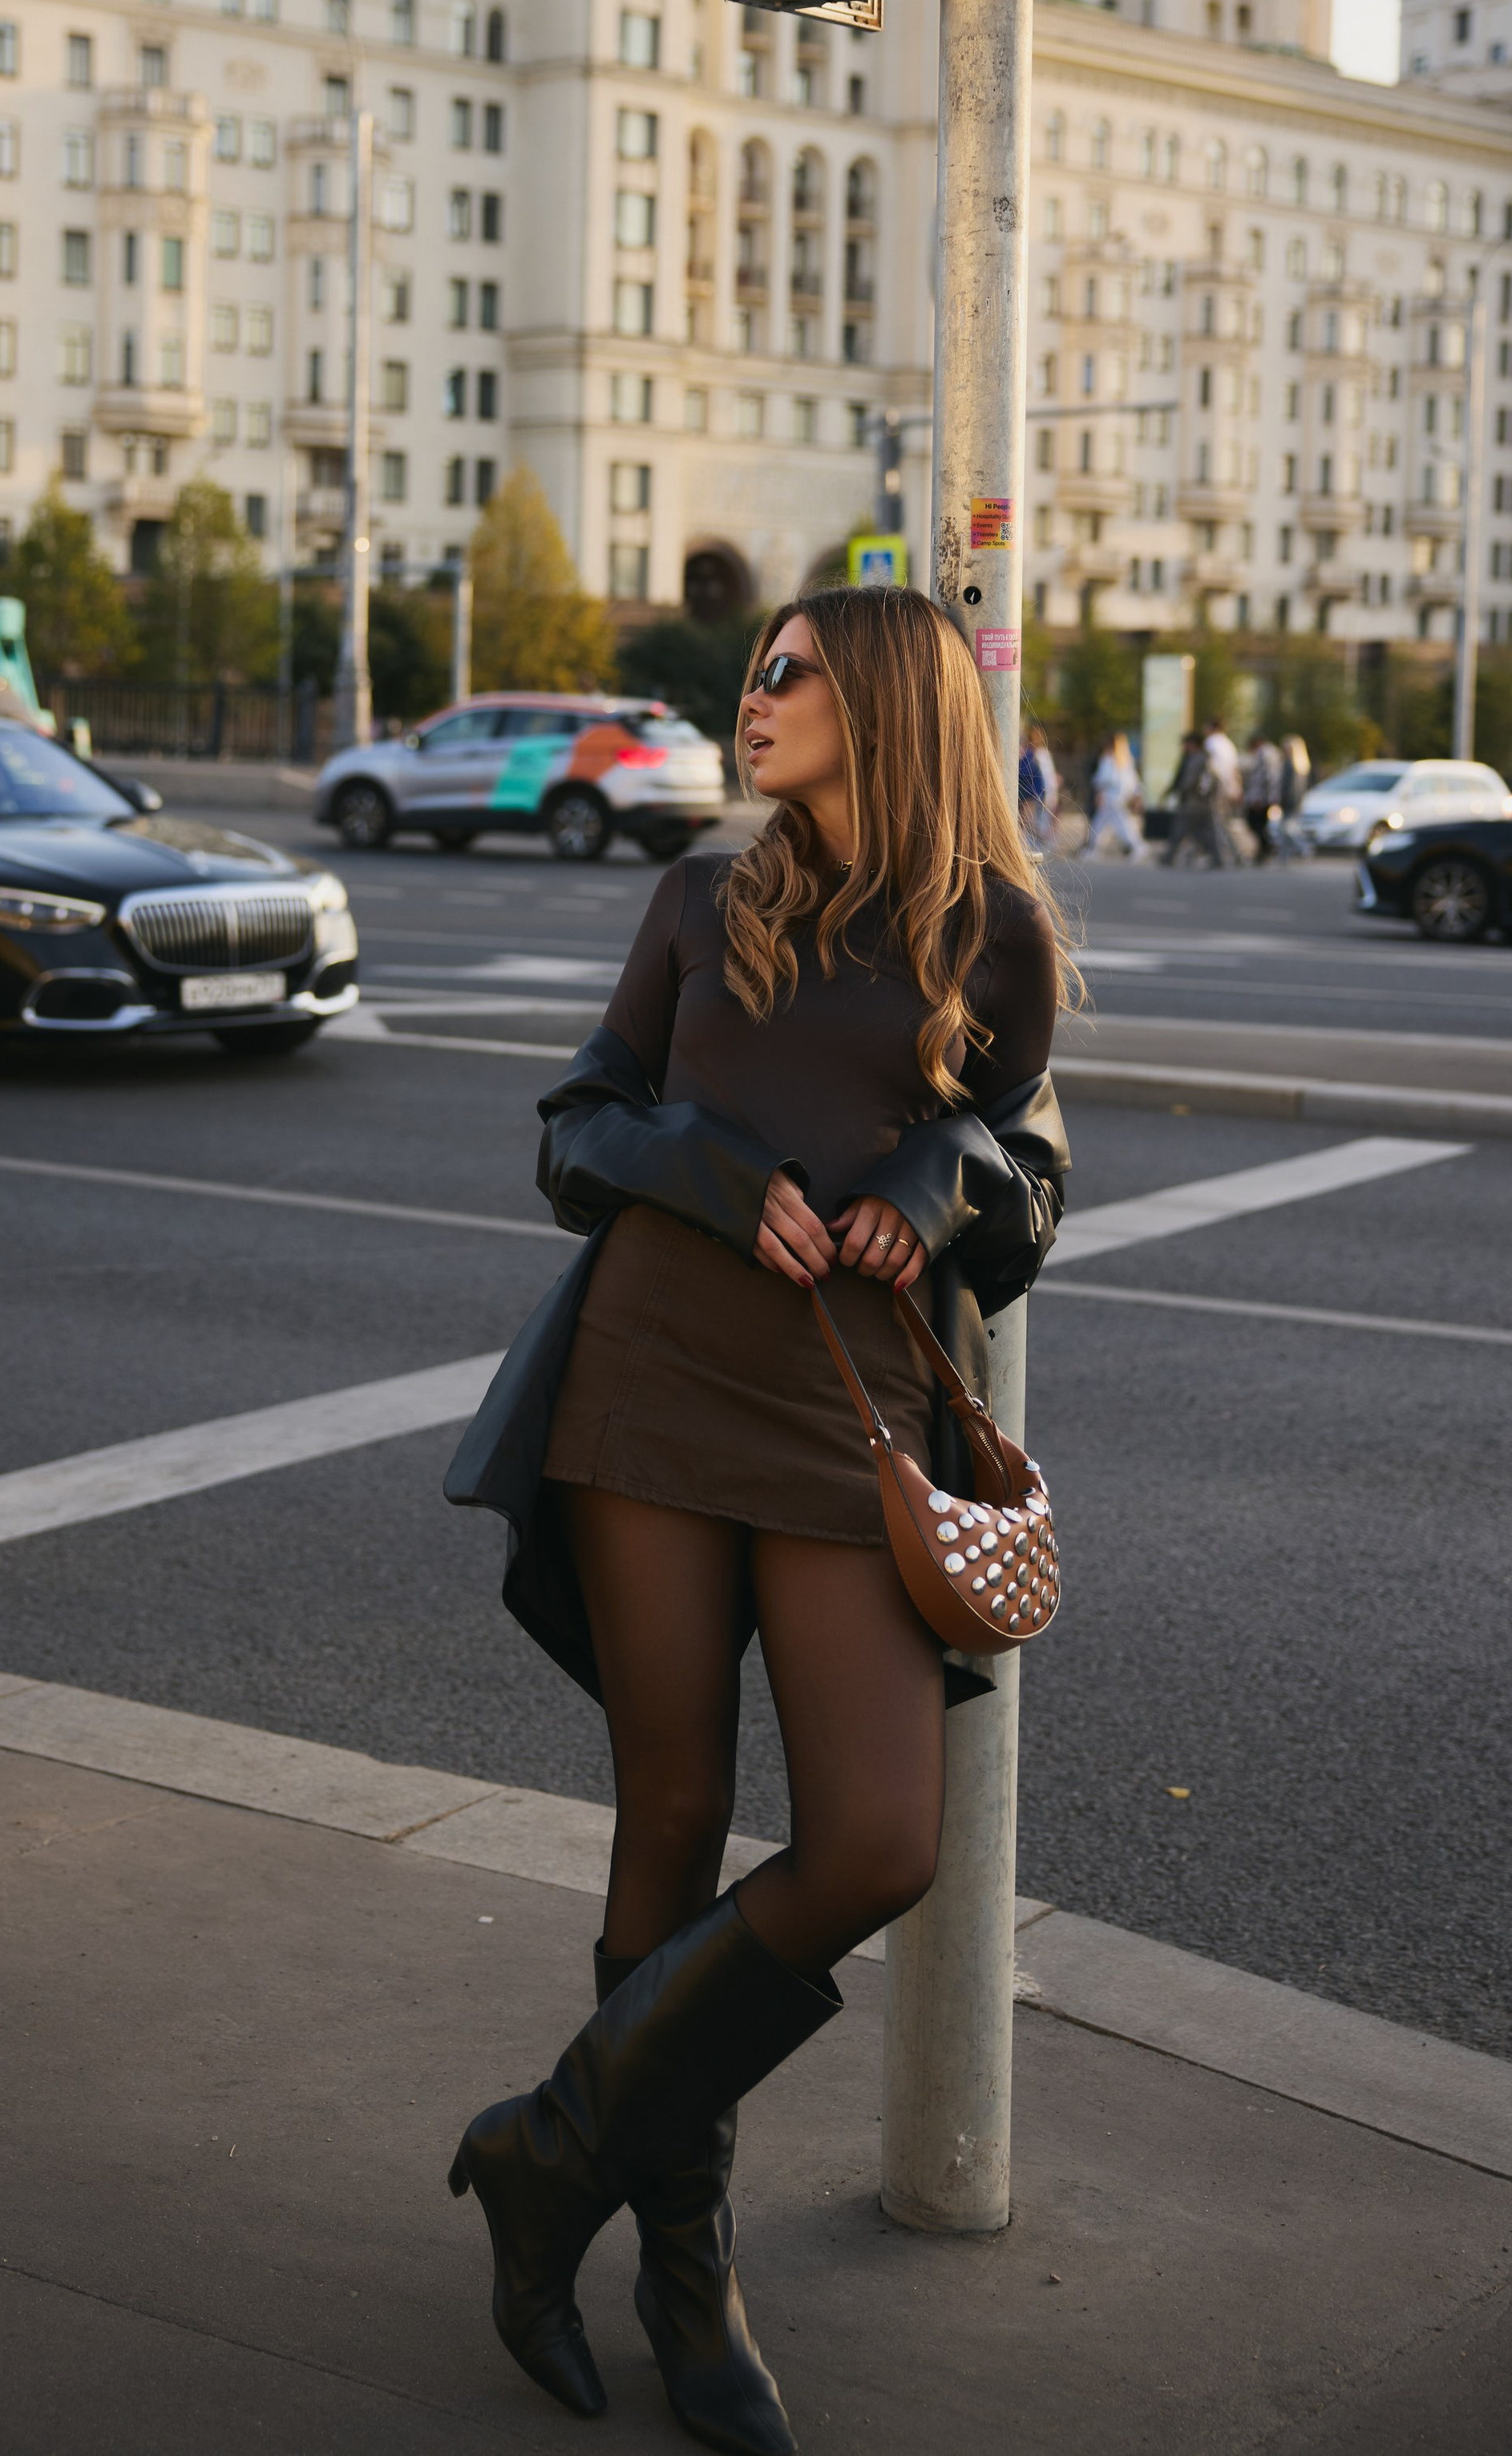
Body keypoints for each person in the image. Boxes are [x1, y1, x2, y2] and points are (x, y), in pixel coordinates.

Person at [443, 589, 1069, 2452]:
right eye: (758, 668)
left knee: (877, 1836)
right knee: (674, 1813)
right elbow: (574, 1129)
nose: (755, 692)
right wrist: (705, 1170)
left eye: (791, 670)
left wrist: (942, 1168)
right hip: (643, 1386)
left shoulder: (996, 935)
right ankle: (686, 2266)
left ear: (881, 699)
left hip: (846, 1415)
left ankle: (551, 2150)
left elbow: (1028, 1191)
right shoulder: (707, 898)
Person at [1163, 730, 1219, 867]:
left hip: (1193, 802)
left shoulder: (1195, 760)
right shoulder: (1206, 759)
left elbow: (1188, 781)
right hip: (1204, 803)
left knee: (1179, 829)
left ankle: (1168, 857)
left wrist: (1181, 791)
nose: (1184, 747)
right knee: (1209, 833)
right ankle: (1218, 859)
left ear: (1193, 744)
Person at [1090, 730, 1146, 856]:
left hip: (1111, 798)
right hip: (1119, 797)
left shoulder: (1108, 759)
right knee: (1103, 823)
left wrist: (1099, 792)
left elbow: (1102, 779)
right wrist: (1136, 794)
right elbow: (1133, 781)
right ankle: (1093, 848)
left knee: (1120, 825)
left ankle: (1137, 846)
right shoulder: (1126, 759)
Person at [1017, 719, 1060, 852]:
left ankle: (1040, 847)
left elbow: (1049, 777)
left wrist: (1053, 793)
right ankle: (1032, 847)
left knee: (1039, 822)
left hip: (1041, 793)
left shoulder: (1043, 754)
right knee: (1030, 822)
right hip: (1031, 794)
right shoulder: (1027, 754)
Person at [1242, 733, 1284, 862]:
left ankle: (1266, 848)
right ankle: (1265, 849)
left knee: (1256, 824)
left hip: (1260, 798)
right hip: (1262, 797)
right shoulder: (1270, 753)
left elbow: (1268, 778)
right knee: (1259, 825)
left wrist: (1261, 798)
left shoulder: (1264, 754)